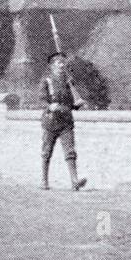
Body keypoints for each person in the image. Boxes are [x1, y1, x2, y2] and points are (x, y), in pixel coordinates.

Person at [40, 52, 86, 191]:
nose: (62, 65)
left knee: (70, 151)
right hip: (51, 121)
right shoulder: (46, 81)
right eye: (59, 63)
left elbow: (71, 104)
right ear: (52, 65)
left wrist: (78, 105)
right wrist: (50, 106)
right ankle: (44, 180)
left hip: (66, 121)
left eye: (63, 63)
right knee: (47, 151)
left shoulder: (68, 82)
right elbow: (41, 100)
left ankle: (74, 181)